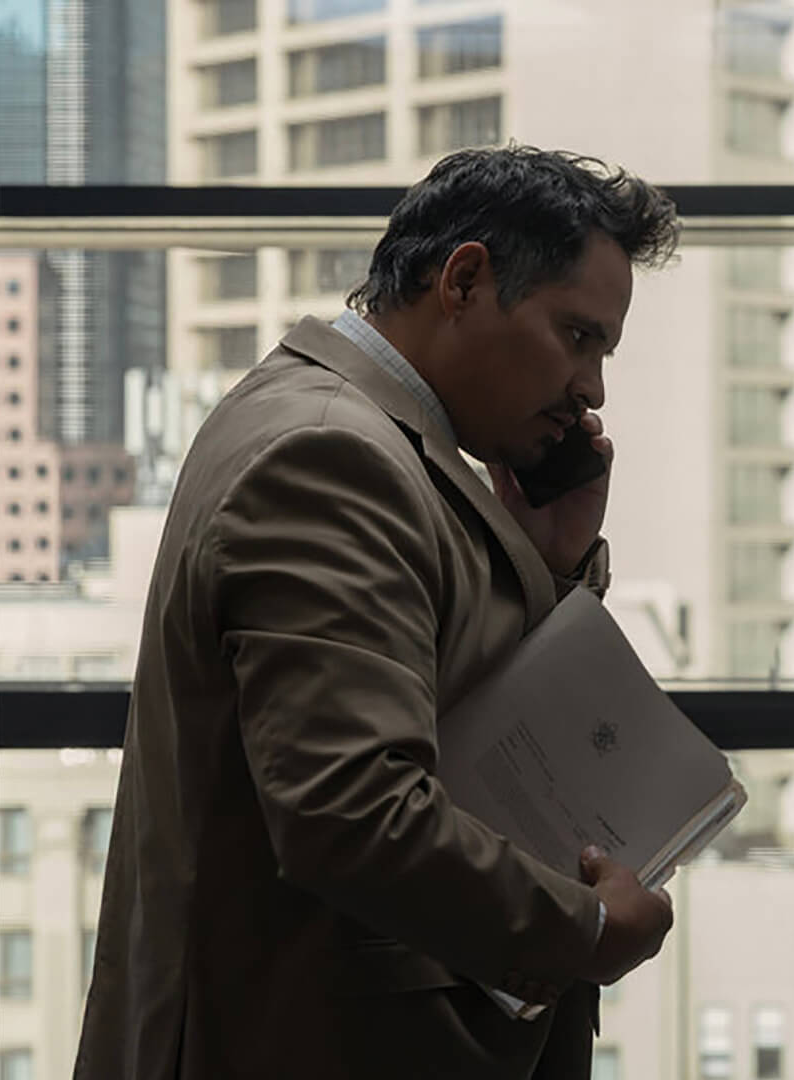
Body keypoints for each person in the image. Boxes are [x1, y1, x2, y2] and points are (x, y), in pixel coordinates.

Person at [74, 146, 682, 1079]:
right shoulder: (329, 454)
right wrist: (588, 927)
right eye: (577, 337)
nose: (592, 388)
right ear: (466, 281)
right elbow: (353, 813)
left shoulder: (380, 439)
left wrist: (549, 567)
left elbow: (442, 697)